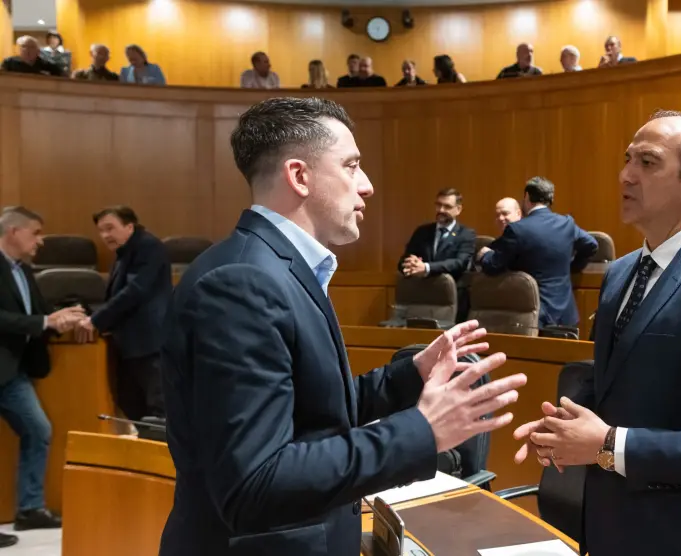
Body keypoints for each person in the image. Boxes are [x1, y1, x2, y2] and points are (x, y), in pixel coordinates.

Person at [158, 97, 526, 556]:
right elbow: (255, 484)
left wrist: (410, 373)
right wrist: (422, 430)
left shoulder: (275, 267)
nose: (367, 186)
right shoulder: (243, 282)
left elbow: (313, 415)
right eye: (352, 166)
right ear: (300, 176)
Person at [513, 110, 681, 555]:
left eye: (648, 162)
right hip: (612, 527)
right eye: (627, 159)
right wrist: (565, 429)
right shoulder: (620, 274)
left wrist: (607, 443)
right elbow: (623, 388)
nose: (625, 175)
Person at [0, 207, 87, 548]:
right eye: (35, 233)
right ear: (13, 232)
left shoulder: (24, 270)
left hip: (13, 371)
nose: (41, 240)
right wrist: (43, 323)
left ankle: (30, 508)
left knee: (38, 429)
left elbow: (36, 315)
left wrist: (60, 318)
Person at [76, 206, 171, 421]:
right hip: (132, 345)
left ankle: (163, 453)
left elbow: (135, 291)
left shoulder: (148, 246)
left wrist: (96, 320)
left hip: (151, 344)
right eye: (101, 231)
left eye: (110, 228)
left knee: (159, 410)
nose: (105, 236)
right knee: (131, 404)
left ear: (130, 226)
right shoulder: (125, 251)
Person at [478, 177, 597, 327]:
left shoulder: (517, 229)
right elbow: (592, 244)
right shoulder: (566, 223)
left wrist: (484, 254)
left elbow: (494, 265)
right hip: (566, 315)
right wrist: (573, 267)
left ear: (527, 196)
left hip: (534, 316)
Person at [398, 188, 477, 322]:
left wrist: (426, 268)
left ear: (458, 209)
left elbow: (460, 263)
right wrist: (411, 265)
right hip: (421, 297)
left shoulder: (466, 234)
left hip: (452, 297)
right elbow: (402, 262)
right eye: (438, 205)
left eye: (447, 206)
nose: (441, 210)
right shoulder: (422, 232)